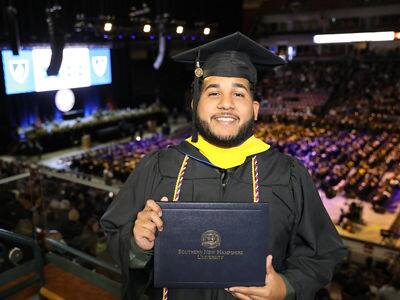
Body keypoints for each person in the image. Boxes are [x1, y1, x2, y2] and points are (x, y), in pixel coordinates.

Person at [100, 32, 346, 300]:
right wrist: (138, 246)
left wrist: (287, 287)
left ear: (254, 109)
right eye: (214, 91)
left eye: (238, 93)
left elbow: (322, 252)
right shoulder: (157, 167)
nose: (226, 103)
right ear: (195, 105)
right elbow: (115, 234)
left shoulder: (288, 175)